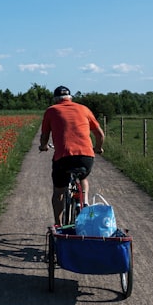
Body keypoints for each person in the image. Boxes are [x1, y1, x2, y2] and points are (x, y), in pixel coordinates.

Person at [39, 85, 105, 226]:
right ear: (70, 98)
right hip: (86, 156)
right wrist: (98, 148)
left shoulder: (51, 111)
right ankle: (84, 202)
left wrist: (43, 146)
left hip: (64, 157)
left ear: (56, 99)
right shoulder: (84, 109)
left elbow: (45, 135)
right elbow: (100, 134)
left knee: (59, 192)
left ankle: (58, 224)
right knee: (83, 177)